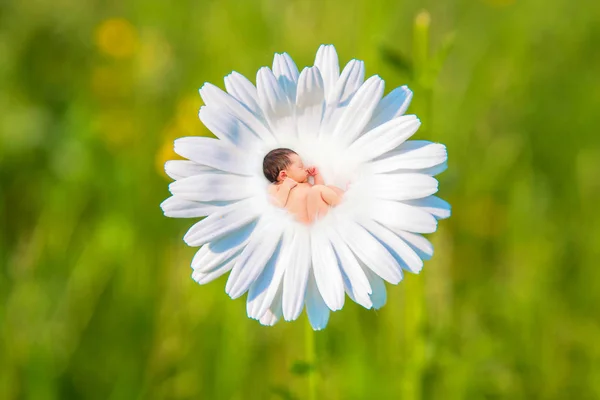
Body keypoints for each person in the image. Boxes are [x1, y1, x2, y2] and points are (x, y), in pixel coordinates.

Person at [263, 148, 344, 224]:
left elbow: (322, 191)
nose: (305, 169)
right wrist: (286, 187)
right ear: (283, 175)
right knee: (317, 190)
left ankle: (347, 199)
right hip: (311, 221)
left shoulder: (304, 184)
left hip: (321, 210)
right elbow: (277, 204)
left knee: (330, 188)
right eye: (300, 167)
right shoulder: (276, 187)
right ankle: (344, 207)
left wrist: (316, 175)